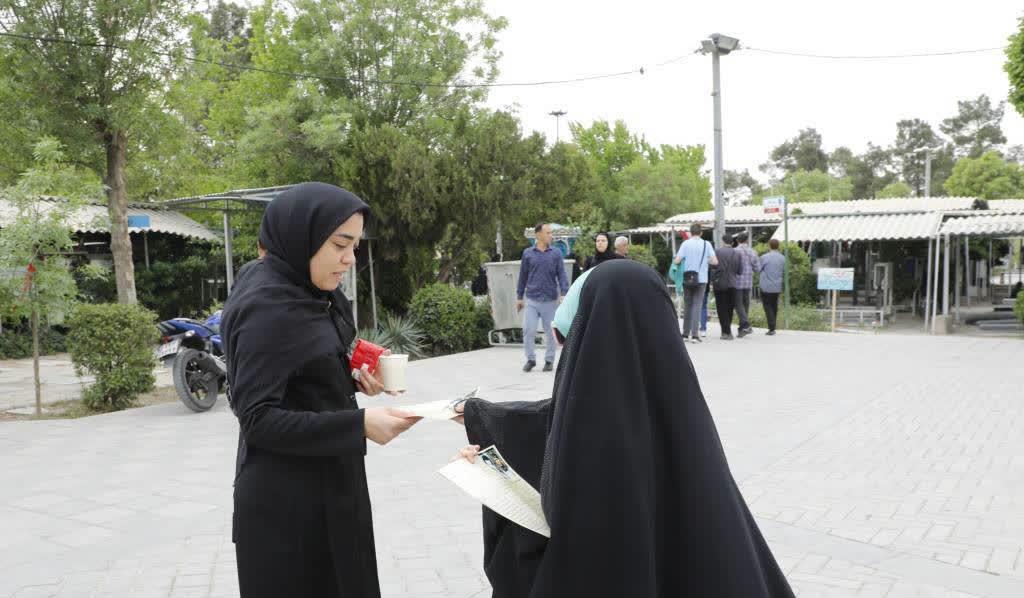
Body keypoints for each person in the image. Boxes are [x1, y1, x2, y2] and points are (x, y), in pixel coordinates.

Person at [451, 260, 795, 598]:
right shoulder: (685, 415)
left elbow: (555, 532)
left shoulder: (589, 429)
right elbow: (556, 417)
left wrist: (492, 467)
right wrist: (480, 416)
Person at [221, 182, 421, 598]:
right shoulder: (267, 308)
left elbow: (299, 371)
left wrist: (351, 379)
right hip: (289, 508)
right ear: (303, 237)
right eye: (339, 245)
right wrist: (359, 425)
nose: (349, 259)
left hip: (331, 484)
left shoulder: (309, 291)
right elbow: (257, 418)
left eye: (355, 247)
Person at [517, 223, 569, 373]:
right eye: (548, 233)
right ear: (538, 235)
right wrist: (519, 297)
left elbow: (562, 274)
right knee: (528, 330)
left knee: (551, 333)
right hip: (532, 299)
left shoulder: (556, 253)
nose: (551, 236)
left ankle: (549, 360)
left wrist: (564, 293)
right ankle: (531, 359)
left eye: (551, 233)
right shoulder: (527, 253)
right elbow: (523, 276)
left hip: (550, 300)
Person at [672, 223, 718, 343]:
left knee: (688, 305)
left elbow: (677, 260)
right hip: (701, 279)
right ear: (701, 233)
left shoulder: (685, 244)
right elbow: (715, 261)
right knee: (697, 305)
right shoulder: (706, 244)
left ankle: (685, 334)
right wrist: (706, 260)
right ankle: (695, 335)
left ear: (691, 232)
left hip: (687, 278)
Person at [712, 233, 742, 340]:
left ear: (723, 241)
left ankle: (725, 332)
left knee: (721, 308)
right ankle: (727, 330)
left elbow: (712, 266)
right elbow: (740, 271)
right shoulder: (737, 254)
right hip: (733, 284)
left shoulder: (717, 252)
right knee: (730, 308)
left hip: (720, 283)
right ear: (732, 242)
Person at [734, 232, 760, 338]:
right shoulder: (753, 252)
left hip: (737, 282)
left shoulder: (735, 251)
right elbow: (757, 268)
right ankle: (742, 329)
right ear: (747, 240)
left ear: (737, 240)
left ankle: (746, 325)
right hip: (748, 282)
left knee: (738, 304)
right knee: (745, 305)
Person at [759, 239, 786, 335]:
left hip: (766, 286)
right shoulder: (783, 258)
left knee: (767, 306)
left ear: (769, 246)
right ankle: (773, 327)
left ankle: (771, 328)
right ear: (778, 246)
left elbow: (758, 268)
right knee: (774, 306)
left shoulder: (764, 257)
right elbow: (784, 270)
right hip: (777, 286)